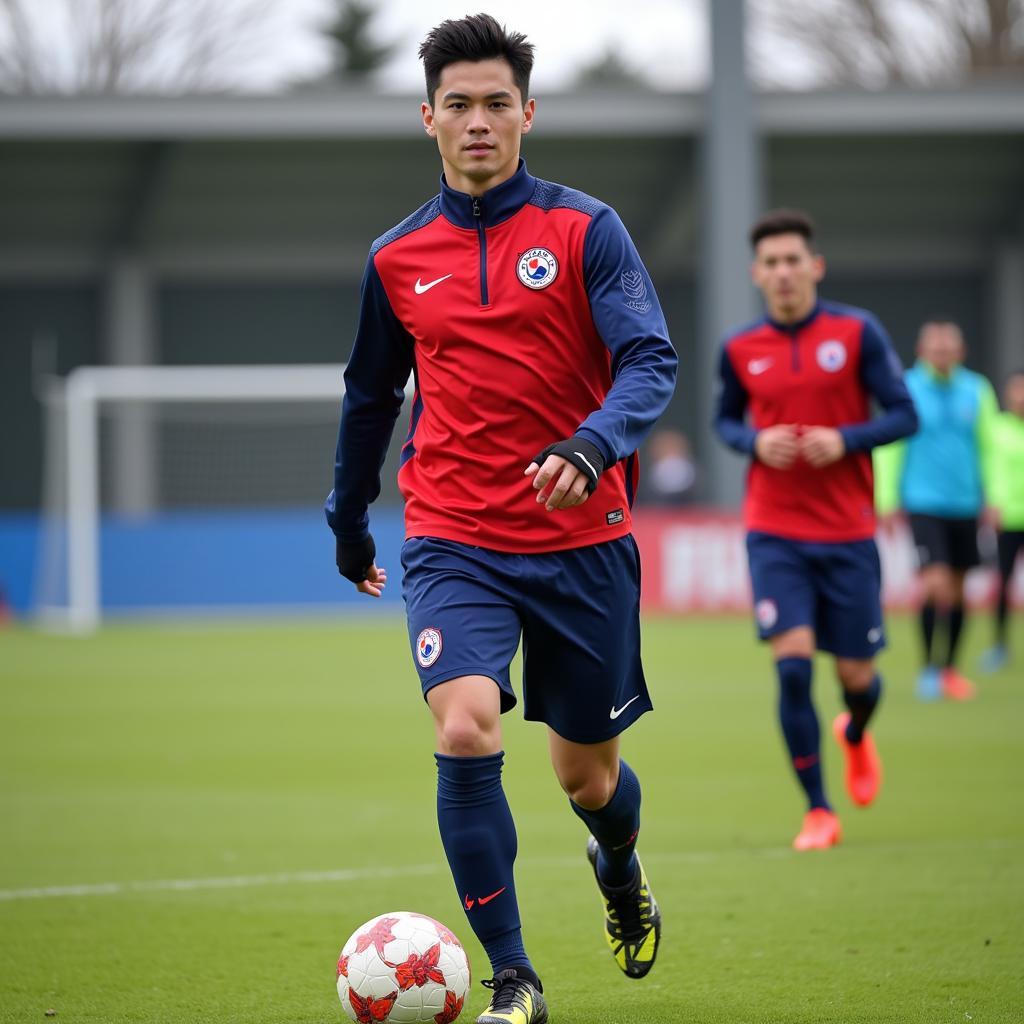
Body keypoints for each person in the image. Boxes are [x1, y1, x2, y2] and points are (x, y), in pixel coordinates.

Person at [324, 15, 677, 1024]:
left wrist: (590, 444)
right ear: (426, 116)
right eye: (458, 104)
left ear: (528, 112)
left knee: (586, 775)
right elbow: (368, 396)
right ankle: (514, 977)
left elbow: (649, 359)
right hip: (452, 537)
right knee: (467, 724)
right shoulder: (396, 257)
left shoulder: (584, 230)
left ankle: (618, 867)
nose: (477, 121)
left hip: (582, 538)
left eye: (496, 103)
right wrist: (348, 520)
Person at [714, 209, 917, 851]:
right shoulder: (741, 348)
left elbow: (904, 414)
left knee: (859, 679)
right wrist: (754, 440)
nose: (782, 273)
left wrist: (846, 439)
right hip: (774, 531)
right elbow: (724, 421)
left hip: (849, 532)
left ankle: (855, 732)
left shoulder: (857, 333)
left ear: (814, 267)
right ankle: (819, 811)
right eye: (770, 263)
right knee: (794, 670)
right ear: (757, 275)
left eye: (792, 260)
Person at [874, 319, 999, 701]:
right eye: (935, 349)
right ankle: (929, 667)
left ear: (959, 352)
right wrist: (887, 499)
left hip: (964, 502)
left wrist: (992, 497)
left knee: (960, 589)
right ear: (921, 352)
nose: (942, 355)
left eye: (948, 349)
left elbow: (988, 446)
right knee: (935, 582)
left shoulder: (977, 390)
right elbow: (891, 445)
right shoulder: (908, 388)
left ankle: (950, 670)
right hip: (922, 501)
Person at [979, 369, 1024, 671]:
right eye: (1016, 390)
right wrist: (992, 504)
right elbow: (990, 469)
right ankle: (999, 644)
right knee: (1004, 581)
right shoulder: (995, 428)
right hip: (1008, 517)